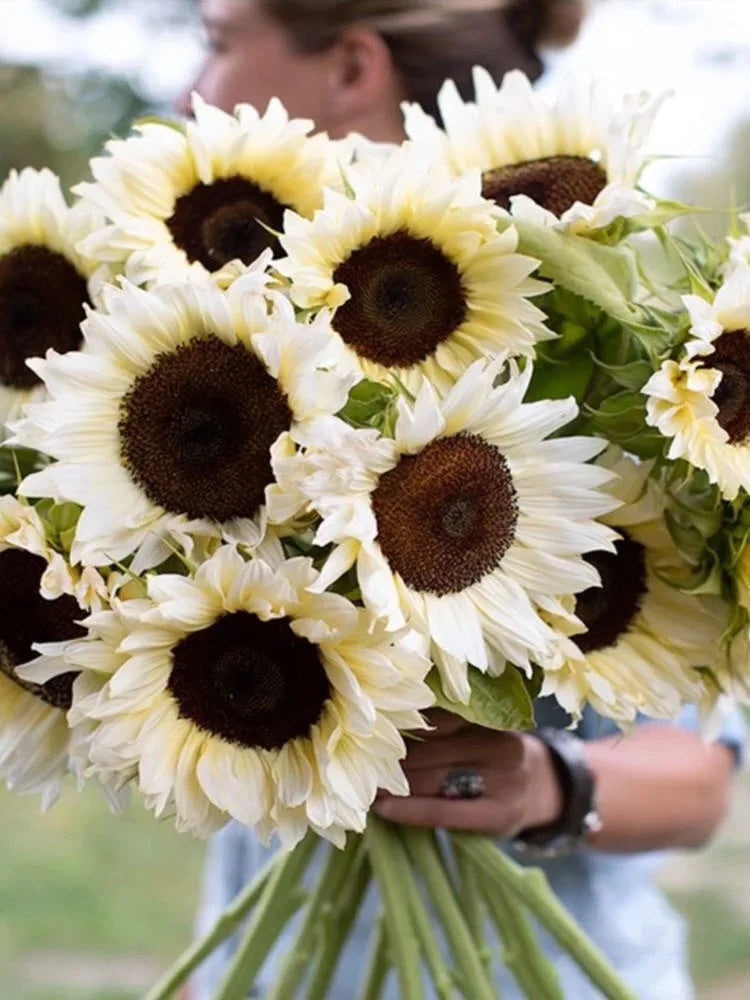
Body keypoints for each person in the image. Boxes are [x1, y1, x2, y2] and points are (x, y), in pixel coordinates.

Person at [178, 3, 747, 998]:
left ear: (353, 66)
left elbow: (700, 778)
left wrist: (546, 783)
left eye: (219, 41)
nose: (196, 89)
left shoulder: (614, 362)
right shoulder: (224, 358)